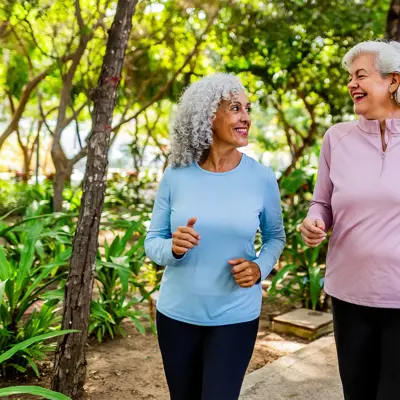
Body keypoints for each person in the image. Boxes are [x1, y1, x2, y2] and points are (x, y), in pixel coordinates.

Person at [144, 73, 285, 400]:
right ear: (207, 115)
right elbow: (153, 242)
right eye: (235, 108)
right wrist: (174, 248)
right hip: (177, 316)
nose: (246, 117)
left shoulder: (261, 177)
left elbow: (275, 237)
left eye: (247, 109)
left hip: (235, 318)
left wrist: (259, 268)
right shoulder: (176, 174)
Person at [299, 40, 400, 400]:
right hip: (349, 296)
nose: (351, 84)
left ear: (393, 81)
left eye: (361, 76)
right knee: (357, 393)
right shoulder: (336, 138)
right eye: (349, 77)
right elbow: (321, 203)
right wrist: (314, 222)